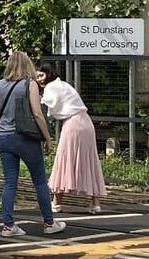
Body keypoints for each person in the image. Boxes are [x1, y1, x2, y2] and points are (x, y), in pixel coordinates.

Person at [0, 51, 66, 237]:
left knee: (10, 183)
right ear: (28, 66)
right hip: (25, 138)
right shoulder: (29, 84)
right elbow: (37, 113)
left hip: (3, 137)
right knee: (40, 181)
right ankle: (49, 223)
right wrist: (48, 138)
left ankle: (8, 226)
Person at [36, 62, 106, 214]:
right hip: (86, 122)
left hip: (73, 123)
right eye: (37, 77)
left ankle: (56, 202)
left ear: (49, 74)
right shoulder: (64, 84)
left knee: (64, 159)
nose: (40, 80)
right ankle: (96, 203)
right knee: (90, 160)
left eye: (41, 75)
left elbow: (46, 104)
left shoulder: (52, 87)